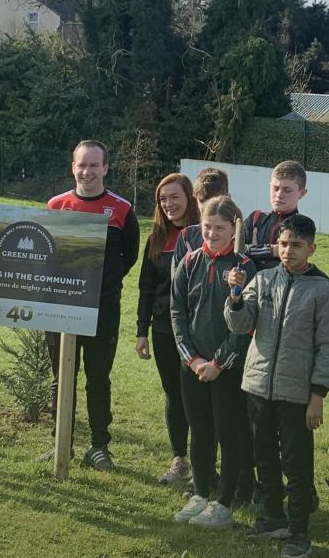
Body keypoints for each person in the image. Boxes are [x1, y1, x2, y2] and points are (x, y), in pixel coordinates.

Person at [226, 213, 329, 558]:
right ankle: (273, 514)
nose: (288, 250)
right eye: (283, 243)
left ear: (311, 249)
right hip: (258, 385)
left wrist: (318, 393)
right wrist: (234, 297)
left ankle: (298, 529)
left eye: (296, 245)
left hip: (297, 393)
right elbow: (240, 324)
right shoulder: (262, 281)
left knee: (296, 460)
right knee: (264, 455)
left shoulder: (322, 291)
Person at [46, 140, 141, 472]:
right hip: (59, 309)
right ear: (73, 167)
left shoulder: (121, 209)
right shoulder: (56, 205)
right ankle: (63, 442)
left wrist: (101, 287)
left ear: (106, 168)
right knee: (62, 377)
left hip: (103, 309)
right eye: (81, 165)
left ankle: (99, 446)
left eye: (94, 165)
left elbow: (128, 257)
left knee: (98, 378)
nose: (87, 172)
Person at [170, 195, 255, 530]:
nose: (212, 233)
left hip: (227, 368)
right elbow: (177, 312)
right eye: (207, 226)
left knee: (227, 432)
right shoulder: (189, 262)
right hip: (192, 365)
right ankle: (201, 492)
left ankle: (224, 501)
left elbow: (245, 326)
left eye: (219, 227)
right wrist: (191, 359)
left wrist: (218, 363)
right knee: (200, 430)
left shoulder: (244, 268)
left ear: (233, 229)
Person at [137, 173, 196, 486]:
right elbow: (146, 287)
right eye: (163, 199)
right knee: (174, 394)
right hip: (162, 329)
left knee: (197, 396)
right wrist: (141, 330)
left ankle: (203, 463)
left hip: (198, 331)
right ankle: (180, 460)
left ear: (189, 197)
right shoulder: (156, 238)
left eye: (175, 196)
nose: (169, 204)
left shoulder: (202, 233)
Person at [242, 160, 308, 272]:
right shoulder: (255, 219)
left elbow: (290, 267)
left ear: (302, 193)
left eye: (287, 190)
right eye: (275, 188)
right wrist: (271, 250)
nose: (279, 195)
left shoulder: (302, 227)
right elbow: (233, 250)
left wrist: (252, 253)